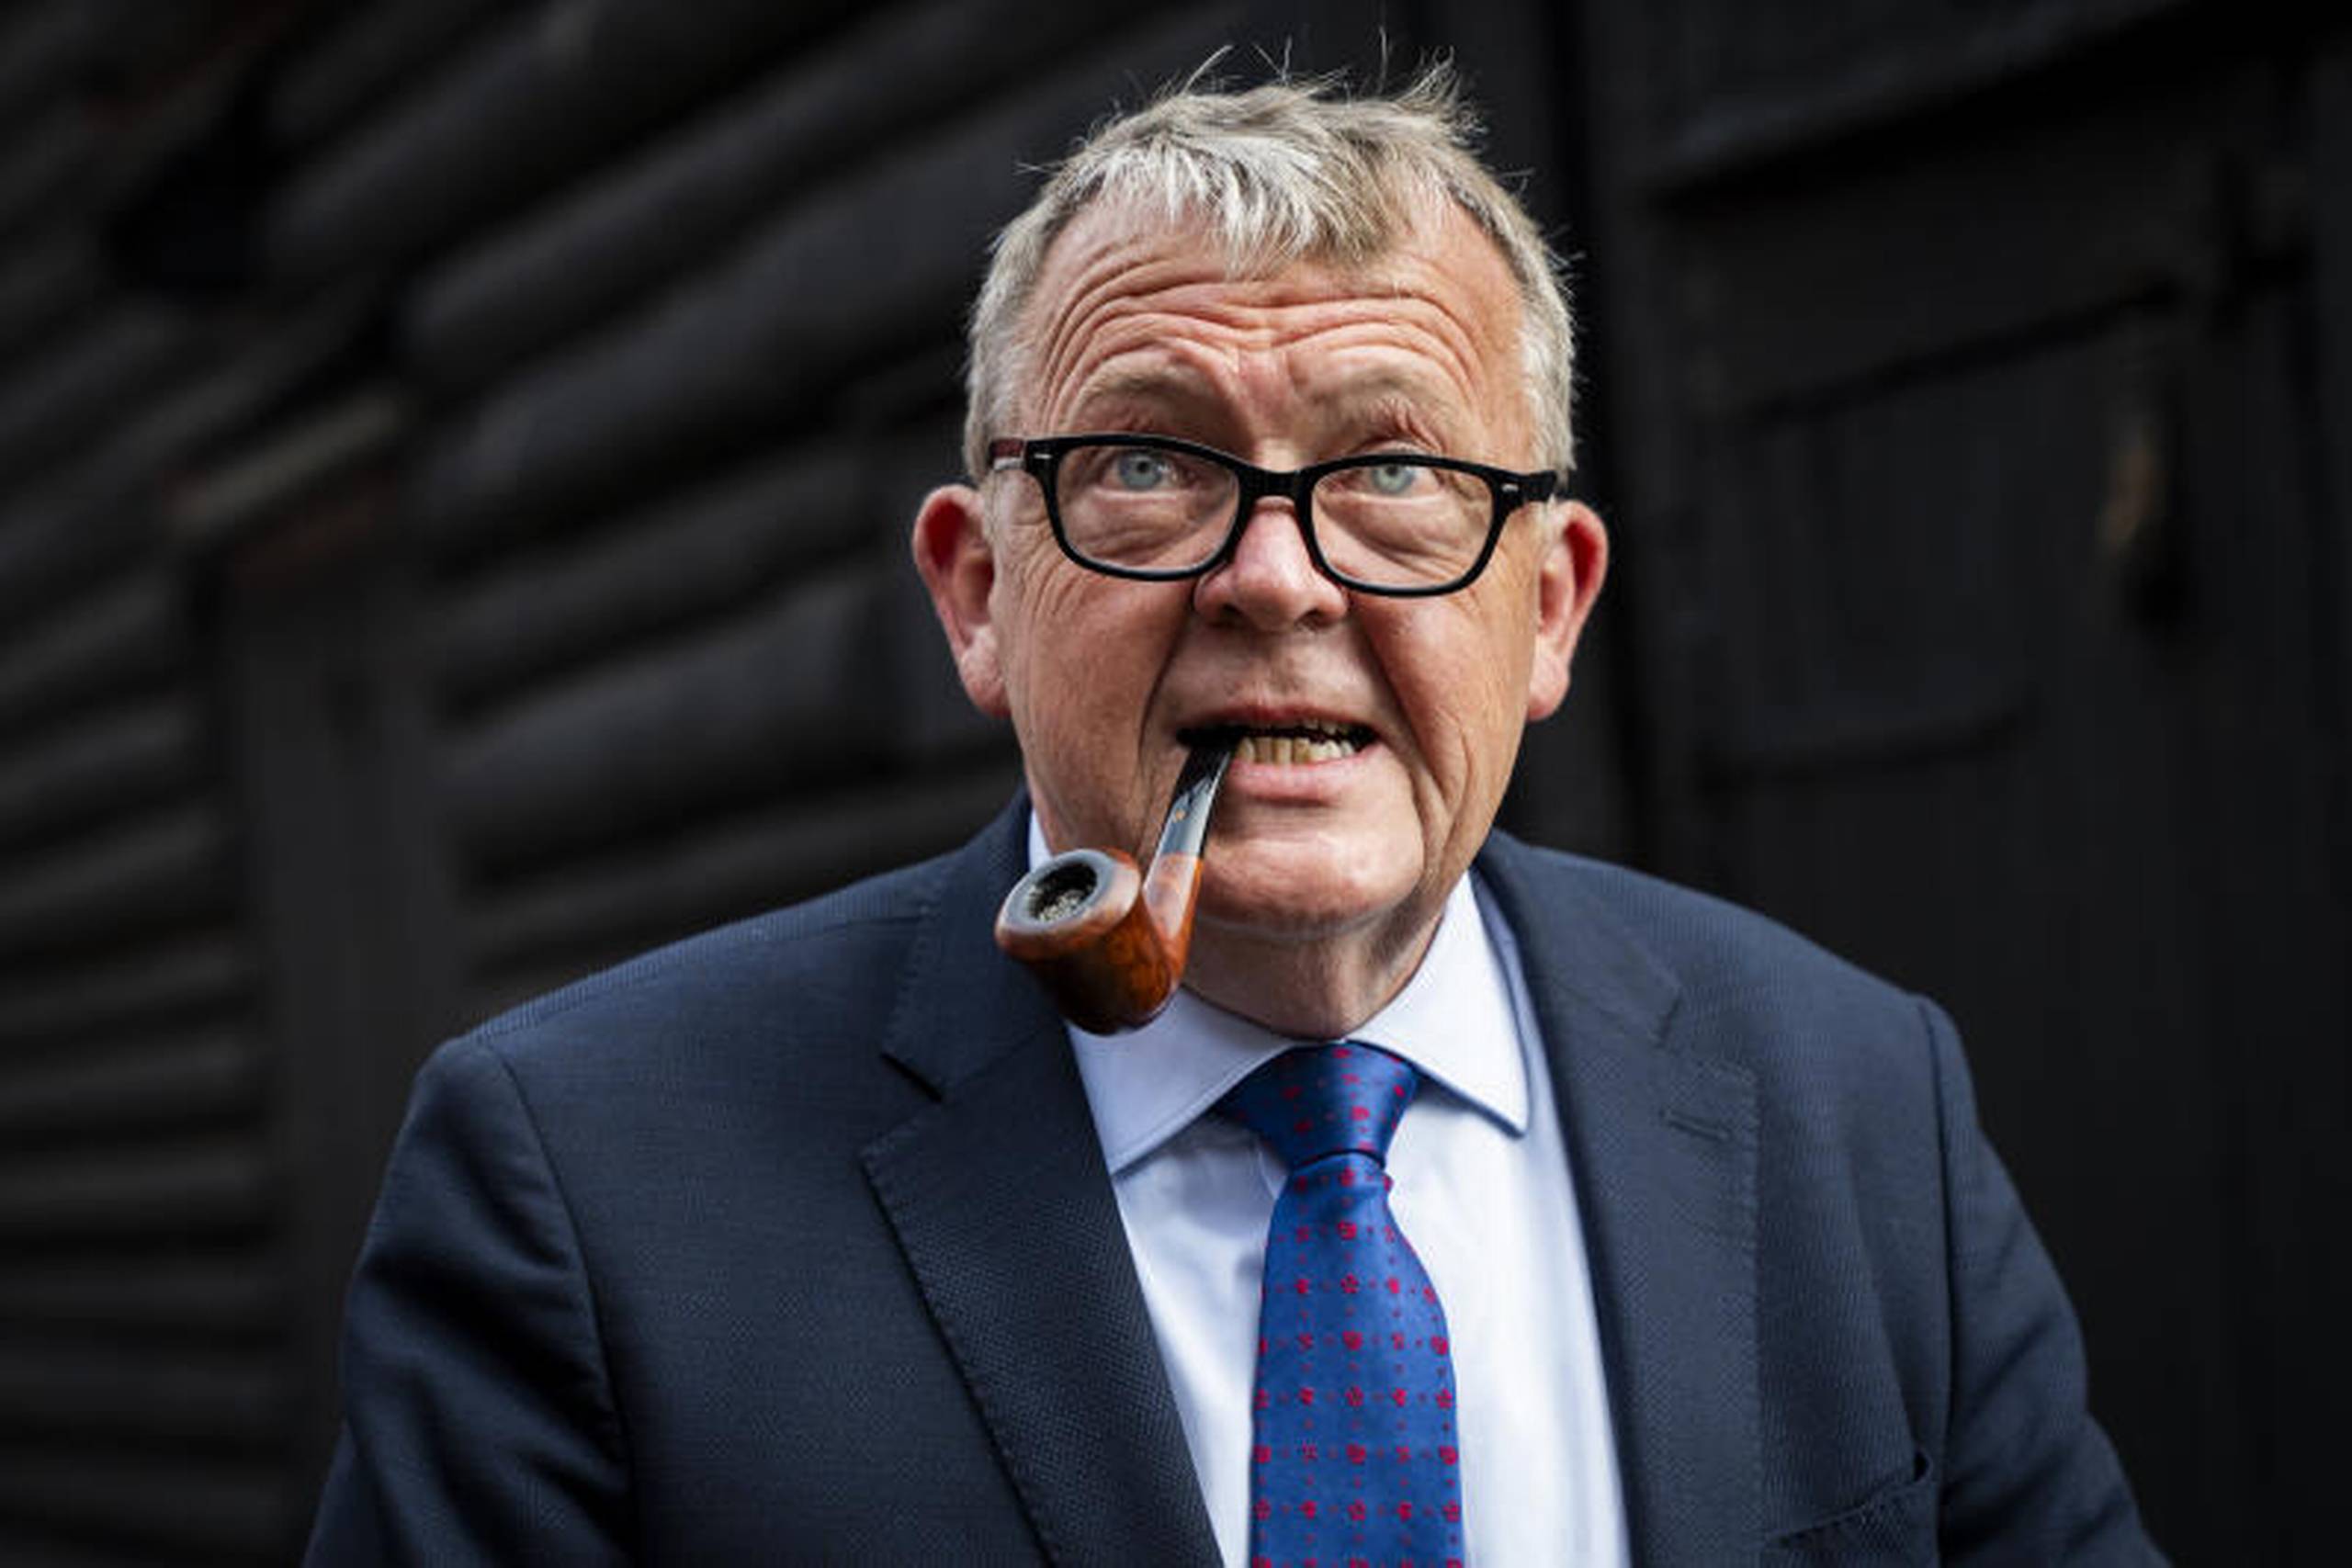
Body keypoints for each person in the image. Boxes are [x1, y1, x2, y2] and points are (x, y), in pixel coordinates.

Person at [305, 69, 2159, 1565]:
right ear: (976, 594)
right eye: (1144, 462)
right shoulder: (585, 1187)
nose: (1276, 578)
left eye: (1396, 467)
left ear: (1548, 607)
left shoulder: (1857, 1102)